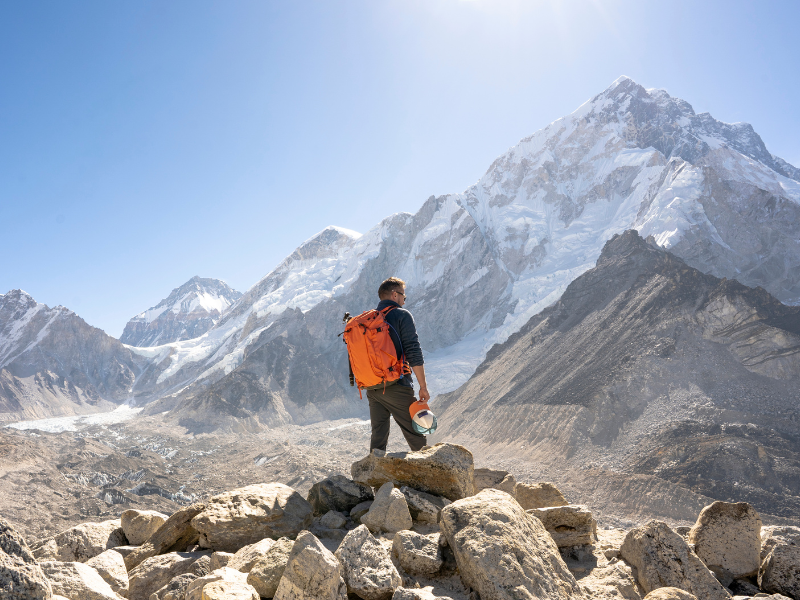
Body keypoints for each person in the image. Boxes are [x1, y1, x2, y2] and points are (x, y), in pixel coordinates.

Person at [366, 276, 430, 452]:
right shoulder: (402, 315)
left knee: (378, 437)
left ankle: (374, 469)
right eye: (403, 296)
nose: (404, 300)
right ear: (394, 295)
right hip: (396, 385)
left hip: (372, 386)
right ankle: (430, 469)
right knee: (416, 433)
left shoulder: (368, 319)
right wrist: (423, 387)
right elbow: (413, 351)